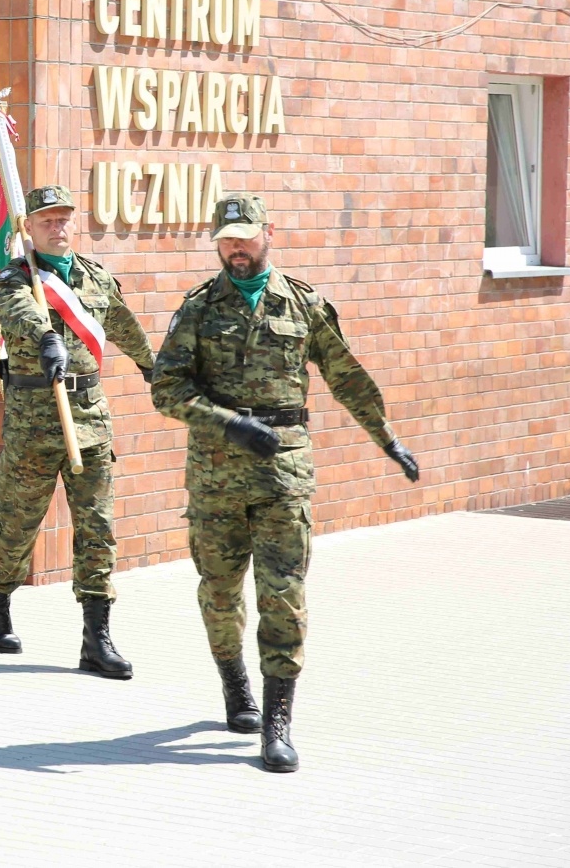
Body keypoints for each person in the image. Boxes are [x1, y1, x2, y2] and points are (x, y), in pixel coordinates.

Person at [152, 192, 421, 772]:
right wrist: (229, 423)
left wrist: (386, 438)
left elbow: (346, 376)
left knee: (284, 596)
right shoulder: (197, 308)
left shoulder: (302, 303)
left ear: (268, 233)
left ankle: (278, 721)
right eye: (226, 240)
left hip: (284, 473)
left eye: (245, 238)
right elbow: (166, 391)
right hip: (217, 474)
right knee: (220, 593)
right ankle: (235, 687)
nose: (235, 249)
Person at [0, 185, 156, 678]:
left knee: (97, 528)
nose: (57, 227)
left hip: (90, 417)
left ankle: (96, 638)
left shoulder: (95, 277)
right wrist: (46, 338)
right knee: (17, 525)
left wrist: (152, 366)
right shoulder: (15, 279)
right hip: (34, 420)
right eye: (47, 221)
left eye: (63, 219)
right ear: (28, 228)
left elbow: (122, 323)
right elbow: (18, 311)